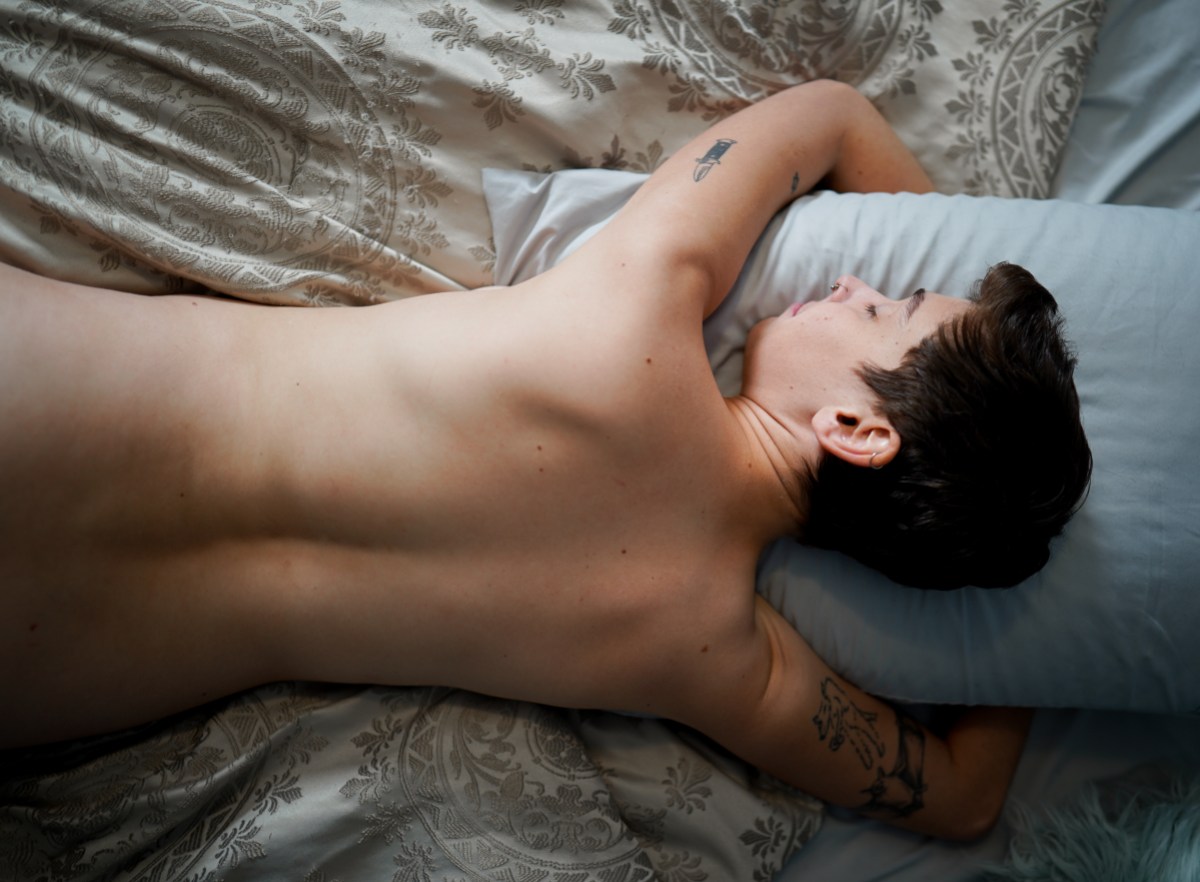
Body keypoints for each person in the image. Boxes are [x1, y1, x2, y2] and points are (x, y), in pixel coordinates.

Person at [0, 80, 1090, 840]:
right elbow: (962, 801)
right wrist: (1048, 599)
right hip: (60, 666)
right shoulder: (711, 653)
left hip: (55, 402)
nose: (855, 285)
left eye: (889, 310)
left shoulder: (639, 308)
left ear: (859, 431)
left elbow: (832, 119)